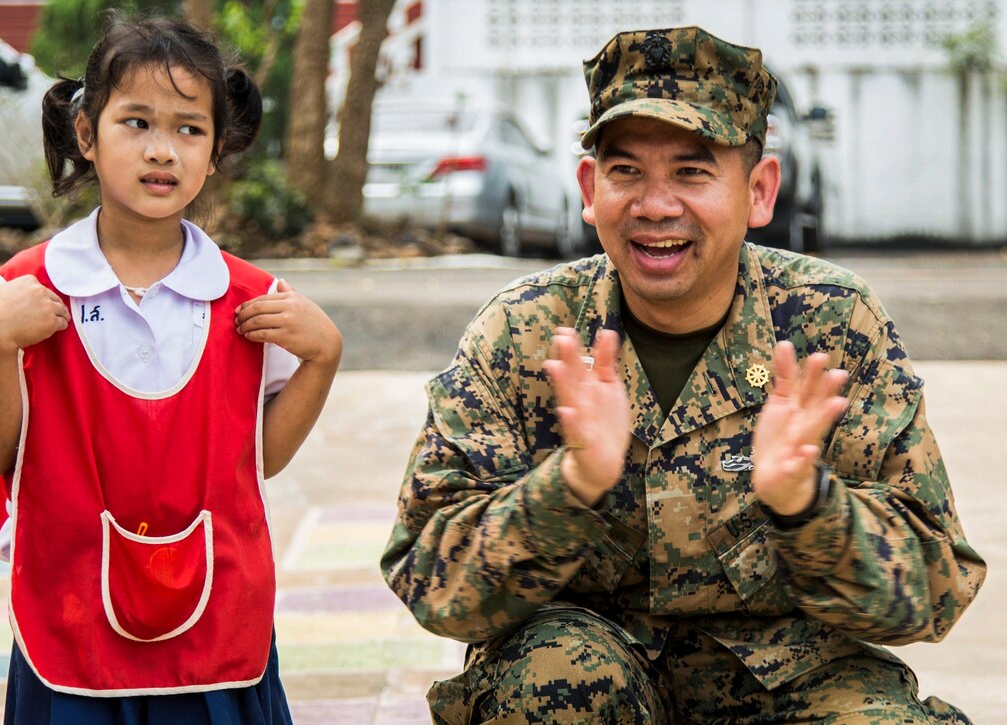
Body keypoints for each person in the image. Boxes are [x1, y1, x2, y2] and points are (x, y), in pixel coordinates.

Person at [381, 26, 986, 723]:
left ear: (760, 191)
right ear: (589, 186)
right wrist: (566, 488)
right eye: (626, 171)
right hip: (590, 671)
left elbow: (938, 585)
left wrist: (809, 505)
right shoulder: (523, 333)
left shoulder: (832, 325)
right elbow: (429, 578)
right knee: (547, 685)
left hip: (789, 679)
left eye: (692, 172)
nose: (655, 205)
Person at [0, 14, 342, 724]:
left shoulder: (252, 302)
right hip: (66, 632)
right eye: (136, 121)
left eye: (190, 129)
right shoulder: (22, 292)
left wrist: (322, 359)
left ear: (217, 149)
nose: (163, 150)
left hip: (219, 635)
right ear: (86, 134)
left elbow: (258, 461)